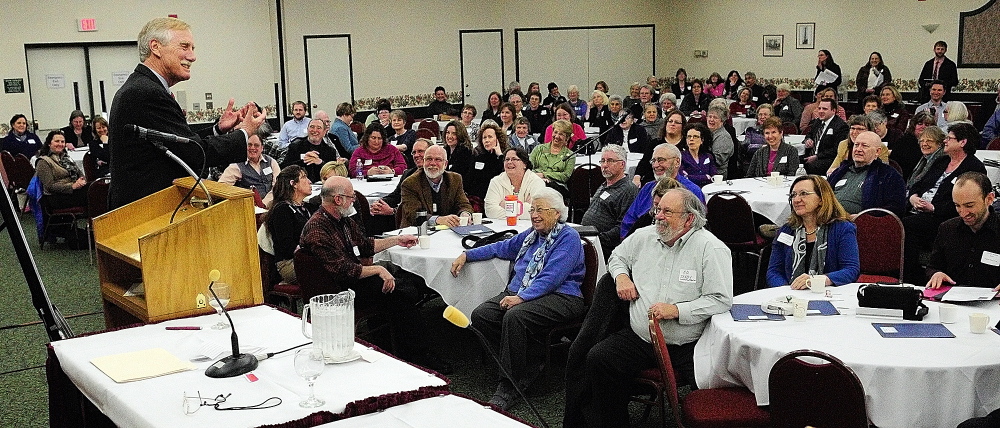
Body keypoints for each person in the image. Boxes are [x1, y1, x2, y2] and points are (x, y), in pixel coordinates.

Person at [566, 188, 733, 428]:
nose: (658, 216)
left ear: (689, 218)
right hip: (642, 337)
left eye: (667, 211)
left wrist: (677, 310)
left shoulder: (711, 248)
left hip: (687, 343)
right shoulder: (644, 237)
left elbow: (721, 299)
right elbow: (617, 257)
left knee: (712, 401)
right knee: (599, 357)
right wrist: (622, 278)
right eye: (658, 209)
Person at [107, 17, 266, 209]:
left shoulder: (142, 87)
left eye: (193, 48)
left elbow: (181, 144)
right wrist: (245, 132)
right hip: (147, 212)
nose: (192, 56)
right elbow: (194, 155)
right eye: (185, 47)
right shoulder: (147, 93)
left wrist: (218, 129)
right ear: (155, 47)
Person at [450, 187, 586, 410]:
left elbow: (552, 277)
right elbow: (503, 247)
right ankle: (527, 365)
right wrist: (467, 254)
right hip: (524, 291)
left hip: (562, 296)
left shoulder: (568, 237)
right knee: (482, 315)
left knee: (515, 317)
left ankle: (509, 386)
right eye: (532, 209)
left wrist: (522, 297)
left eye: (540, 210)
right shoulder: (532, 235)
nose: (534, 215)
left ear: (557, 213)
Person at [300, 175, 449, 372]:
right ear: (338, 200)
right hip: (338, 291)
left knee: (408, 285)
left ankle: (397, 346)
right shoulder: (318, 229)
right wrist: (378, 269)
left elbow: (365, 245)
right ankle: (419, 355)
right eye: (351, 197)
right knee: (400, 294)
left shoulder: (340, 220)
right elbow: (343, 270)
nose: (354, 201)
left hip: (351, 280)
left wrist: (397, 240)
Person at [903, 123, 987, 285]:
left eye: (949, 138)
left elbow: (968, 203)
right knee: (895, 219)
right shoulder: (941, 161)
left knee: (906, 225)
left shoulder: (974, 167)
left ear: (962, 142)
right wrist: (913, 196)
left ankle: (910, 279)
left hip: (943, 217)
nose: (945, 141)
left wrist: (934, 208)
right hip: (917, 210)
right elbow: (918, 183)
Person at [766, 175, 860, 288]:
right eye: (793, 195)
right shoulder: (787, 230)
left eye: (803, 194)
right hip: (791, 295)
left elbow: (851, 270)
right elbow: (773, 271)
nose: (796, 200)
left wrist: (820, 280)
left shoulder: (842, 229)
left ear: (821, 199)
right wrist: (787, 290)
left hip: (828, 294)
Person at [926, 172, 1000, 289]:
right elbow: (933, 266)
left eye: (969, 205)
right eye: (957, 205)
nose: (963, 213)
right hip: (952, 301)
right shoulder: (947, 229)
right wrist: (936, 274)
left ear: (989, 199)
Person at [621, 143, 705, 239]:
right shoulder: (647, 188)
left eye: (661, 160)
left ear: (677, 162)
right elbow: (629, 221)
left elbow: (697, 228)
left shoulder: (692, 192)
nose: (656, 165)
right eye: (653, 161)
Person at [827, 131, 907, 216]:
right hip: (828, 218)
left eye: (864, 146)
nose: (858, 149)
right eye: (856, 145)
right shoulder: (841, 170)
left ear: (877, 151)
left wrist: (863, 217)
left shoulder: (889, 175)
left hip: (859, 224)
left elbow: (896, 208)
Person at [581, 144, 639, 259]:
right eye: (602, 161)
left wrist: (598, 239)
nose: (604, 165)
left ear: (622, 164)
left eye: (610, 161)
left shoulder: (628, 190)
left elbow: (623, 226)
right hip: (588, 239)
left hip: (603, 246)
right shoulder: (605, 185)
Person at [263, 165, 317, 283]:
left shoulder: (308, 207)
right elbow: (287, 246)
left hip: (310, 257)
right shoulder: (281, 210)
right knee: (331, 268)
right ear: (294, 184)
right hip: (290, 262)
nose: (309, 181)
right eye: (304, 177)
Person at [398, 144, 473, 227]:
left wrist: (465, 214)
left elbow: (463, 204)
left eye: (438, 159)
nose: (433, 163)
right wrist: (438, 220)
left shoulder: (455, 179)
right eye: (429, 159)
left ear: (445, 164)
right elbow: (414, 214)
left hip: (447, 232)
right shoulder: (410, 183)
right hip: (417, 232)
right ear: (424, 161)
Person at [370, 138, 430, 223]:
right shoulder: (408, 174)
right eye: (414, 152)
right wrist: (380, 203)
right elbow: (395, 196)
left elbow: (418, 207)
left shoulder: (434, 177)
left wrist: (393, 211)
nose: (416, 155)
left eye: (420, 151)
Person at [219, 126, 280, 205]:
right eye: (249, 145)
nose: (252, 148)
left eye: (256, 145)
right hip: (250, 208)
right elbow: (221, 187)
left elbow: (278, 186)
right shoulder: (236, 165)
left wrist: (264, 203)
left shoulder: (271, 162)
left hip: (272, 205)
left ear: (262, 148)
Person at [484, 147, 546, 219]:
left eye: (514, 159)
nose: (509, 162)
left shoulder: (536, 182)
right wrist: (524, 207)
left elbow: (536, 211)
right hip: (501, 226)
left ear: (524, 164)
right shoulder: (496, 181)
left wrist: (505, 205)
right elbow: (490, 211)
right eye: (507, 159)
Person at [35, 130, 89, 209]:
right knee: (93, 193)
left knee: (95, 187)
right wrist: (72, 186)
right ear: (49, 143)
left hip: (73, 191)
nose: (60, 144)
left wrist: (82, 182)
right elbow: (50, 186)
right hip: (56, 197)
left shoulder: (66, 157)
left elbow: (80, 173)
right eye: (57, 141)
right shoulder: (43, 161)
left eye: (62, 142)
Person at [633, 109, 685, 185]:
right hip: (654, 180)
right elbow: (645, 162)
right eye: (670, 121)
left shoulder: (686, 144)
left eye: (677, 122)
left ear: (683, 126)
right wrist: (637, 176)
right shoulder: (655, 143)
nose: (672, 124)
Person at [466, 122, 509, 205]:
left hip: (496, 198)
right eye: (484, 138)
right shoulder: (477, 157)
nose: (487, 140)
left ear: (498, 139)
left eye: (490, 137)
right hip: (477, 199)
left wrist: (499, 155)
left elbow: (505, 174)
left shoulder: (504, 157)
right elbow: (469, 181)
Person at [802, 98, 848, 175]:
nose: (821, 111)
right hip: (810, 155)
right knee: (793, 160)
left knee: (810, 166)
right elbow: (809, 134)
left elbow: (836, 149)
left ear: (833, 110)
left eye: (824, 109)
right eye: (819, 108)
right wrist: (808, 140)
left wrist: (817, 157)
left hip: (826, 159)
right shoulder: (817, 121)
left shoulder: (841, 126)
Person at [893, 111, 938, 181]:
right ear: (914, 125)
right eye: (919, 124)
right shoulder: (903, 141)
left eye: (927, 124)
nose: (923, 127)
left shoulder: (935, 143)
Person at [529, 119, 575, 186]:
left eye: (561, 134)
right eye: (555, 132)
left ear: (567, 138)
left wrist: (543, 175)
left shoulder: (570, 155)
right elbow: (528, 168)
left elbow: (565, 176)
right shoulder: (539, 148)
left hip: (557, 186)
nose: (556, 136)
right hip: (536, 181)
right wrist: (538, 178)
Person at [679, 122, 716, 187]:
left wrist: (693, 177)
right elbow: (683, 178)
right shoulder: (680, 157)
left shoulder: (708, 156)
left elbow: (714, 177)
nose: (691, 139)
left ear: (702, 140)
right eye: (689, 136)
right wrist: (705, 177)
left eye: (695, 136)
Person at [706, 105, 735, 179]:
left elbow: (718, 161)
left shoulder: (723, 137)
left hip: (717, 176)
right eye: (709, 116)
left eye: (715, 117)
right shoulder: (708, 132)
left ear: (722, 121)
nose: (711, 120)